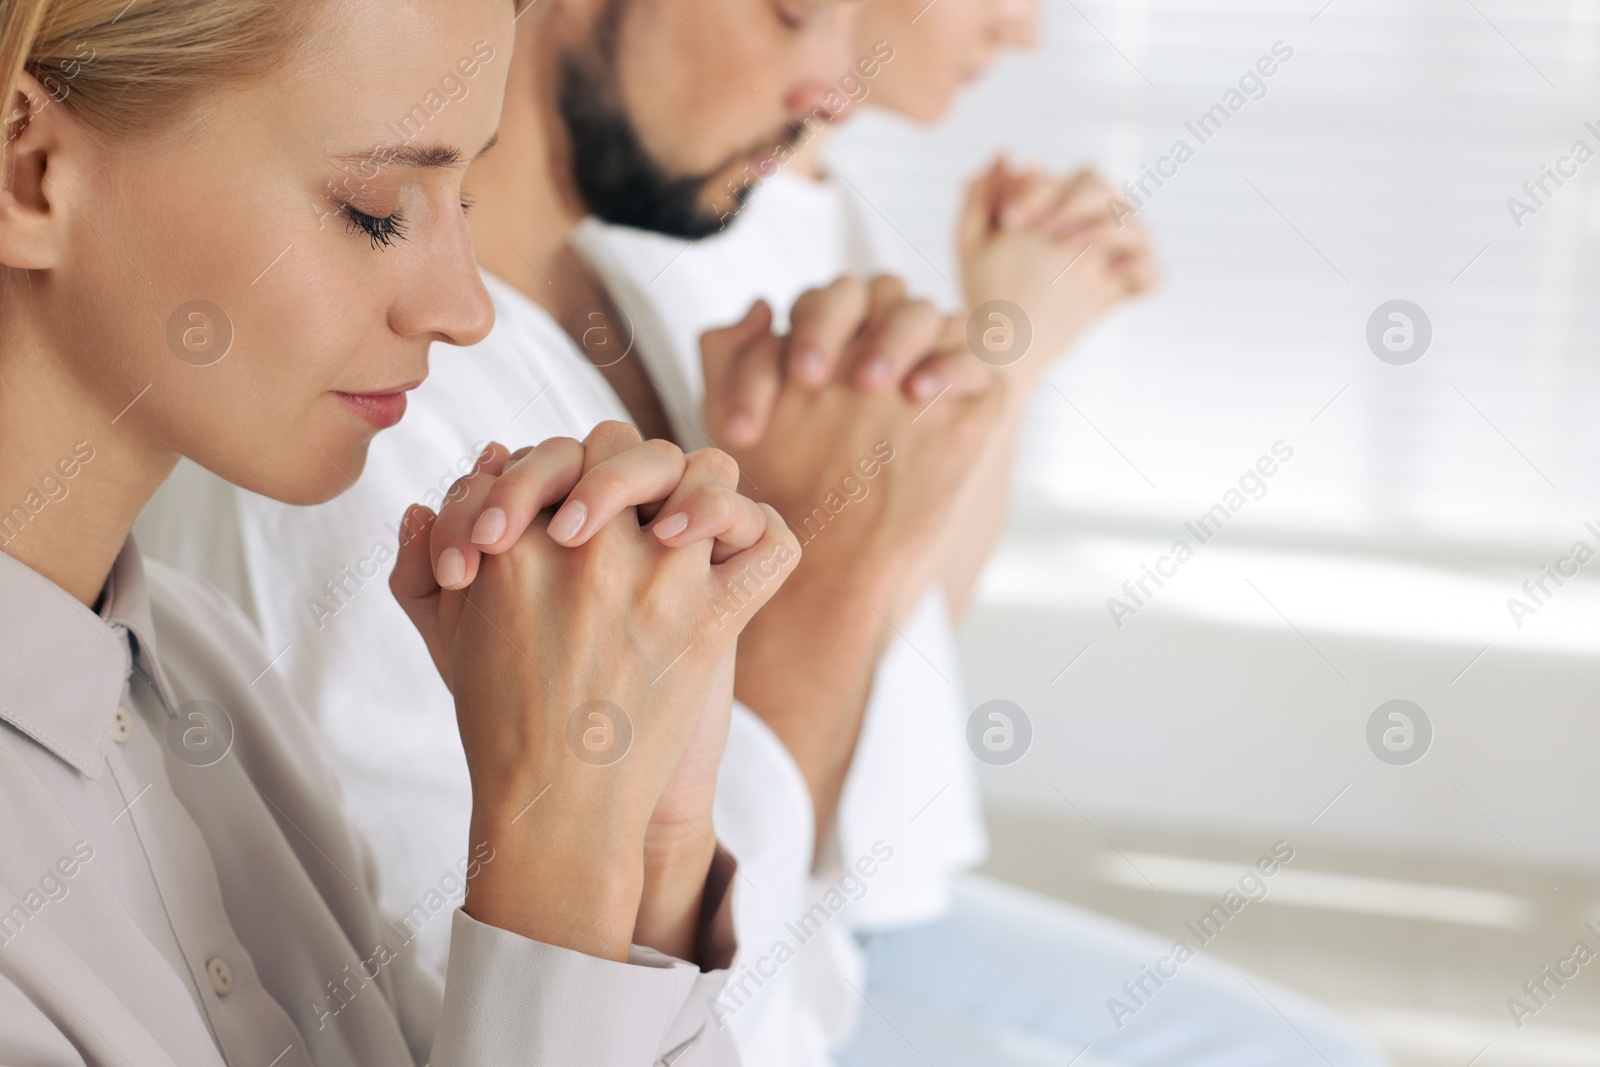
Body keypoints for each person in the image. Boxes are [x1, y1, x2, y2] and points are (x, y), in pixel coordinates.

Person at [572, 1, 1394, 1065]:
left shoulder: (831, 209)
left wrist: (1012, 357)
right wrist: (1002, 356)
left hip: (878, 883)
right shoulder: (669, 222)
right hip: (760, 913)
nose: (1023, 31)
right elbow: (775, 633)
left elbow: (911, 609)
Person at [0, 1, 799, 1063]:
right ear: (28, 168)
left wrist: (644, 838)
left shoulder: (208, 670)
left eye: (462, 195)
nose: (466, 309)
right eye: (374, 207)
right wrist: (549, 852)